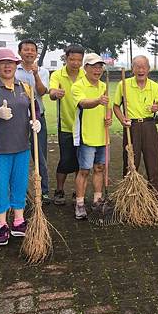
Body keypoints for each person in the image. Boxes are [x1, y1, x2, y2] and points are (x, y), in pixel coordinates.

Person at [0, 48, 41, 246]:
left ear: (16, 65)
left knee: (20, 184)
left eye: (11, 63)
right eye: (2, 63)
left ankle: (19, 220)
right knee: (1, 186)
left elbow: (35, 110)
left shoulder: (25, 87)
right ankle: (2, 224)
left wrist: (36, 121)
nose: (7, 66)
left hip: (22, 145)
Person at [113, 55, 158, 191]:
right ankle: (128, 194)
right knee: (130, 161)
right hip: (131, 127)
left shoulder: (155, 86)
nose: (141, 70)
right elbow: (116, 106)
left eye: (144, 67)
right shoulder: (123, 84)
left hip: (149, 125)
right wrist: (122, 119)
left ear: (148, 69)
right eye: (137, 67)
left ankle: (154, 196)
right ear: (132, 68)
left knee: (152, 161)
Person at [71, 54, 112, 220]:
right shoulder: (78, 86)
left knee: (99, 168)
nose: (98, 70)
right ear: (85, 68)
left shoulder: (104, 85)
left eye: (100, 66)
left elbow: (107, 106)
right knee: (84, 171)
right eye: (94, 66)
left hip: (102, 135)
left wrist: (109, 116)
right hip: (85, 136)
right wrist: (98, 100)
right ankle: (80, 204)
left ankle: (97, 199)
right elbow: (83, 103)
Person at [15, 39, 51, 204]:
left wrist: (35, 74)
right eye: (26, 49)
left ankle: (44, 191)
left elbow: (42, 92)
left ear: (36, 53)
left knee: (40, 155)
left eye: (32, 50)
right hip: (18, 120)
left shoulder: (43, 71)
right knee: (18, 155)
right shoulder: (14, 71)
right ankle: (19, 191)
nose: (29, 52)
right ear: (20, 52)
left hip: (38, 118)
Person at [49, 45, 85, 205]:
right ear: (66, 58)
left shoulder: (86, 74)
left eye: (79, 60)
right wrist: (54, 93)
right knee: (65, 160)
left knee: (81, 160)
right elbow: (51, 92)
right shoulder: (58, 74)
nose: (75, 63)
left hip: (85, 125)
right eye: (72, 59)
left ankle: (78, 191)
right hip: (66, 125)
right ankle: (59, 190)